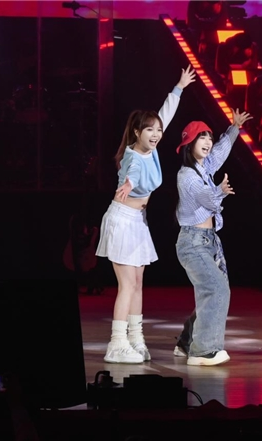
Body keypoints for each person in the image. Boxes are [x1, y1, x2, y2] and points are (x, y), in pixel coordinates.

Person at [95, 66, 196, 364]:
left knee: (138, 283)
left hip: (138, 222)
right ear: (137, 132)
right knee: (127, 284)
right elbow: (132, 172)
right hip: (122, 220)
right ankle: (116, 343)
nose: (156, 134)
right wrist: (128, 182)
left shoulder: (150, 149)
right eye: (149, 129)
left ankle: (136, 338)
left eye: (158, 130)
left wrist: (179, 87)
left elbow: (166, 113)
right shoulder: (133, 156)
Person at [173, 109, 252, 366]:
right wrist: (220, 191)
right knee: (216, 289)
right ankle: (203, 351)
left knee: (210, 291)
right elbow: (207, 200)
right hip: (193, 242)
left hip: (208, 241)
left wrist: (234, 127)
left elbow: (220, 151)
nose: (208, 141)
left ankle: (186, 342)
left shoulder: (204, 166)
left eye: (209, 136)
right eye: (201, 137)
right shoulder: (186, 176)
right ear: (189, 144)